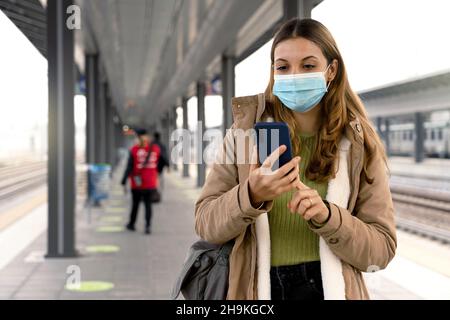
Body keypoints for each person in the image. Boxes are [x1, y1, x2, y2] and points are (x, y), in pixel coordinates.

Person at [194, 18, 396, 300]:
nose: (294, 75)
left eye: (308, 65)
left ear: (331, 70)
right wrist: (251, 195)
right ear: (273, 72)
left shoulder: (360, 143)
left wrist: (328, 217)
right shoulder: (245, 133)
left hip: (327, 290)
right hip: (256, 291)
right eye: (283, 67)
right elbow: (206, 223)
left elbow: (381, 250)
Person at [121, 128, 160, 234]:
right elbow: (162, 161)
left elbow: (129, 167)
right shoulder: (155, 148)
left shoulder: (134, 150)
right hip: (150, 182)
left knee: (135, 204)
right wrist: (156, 172)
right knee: (148, 205)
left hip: (137, 183)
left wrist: (123, 180)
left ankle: (132, 224)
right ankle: (147, 226)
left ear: (137, 137)